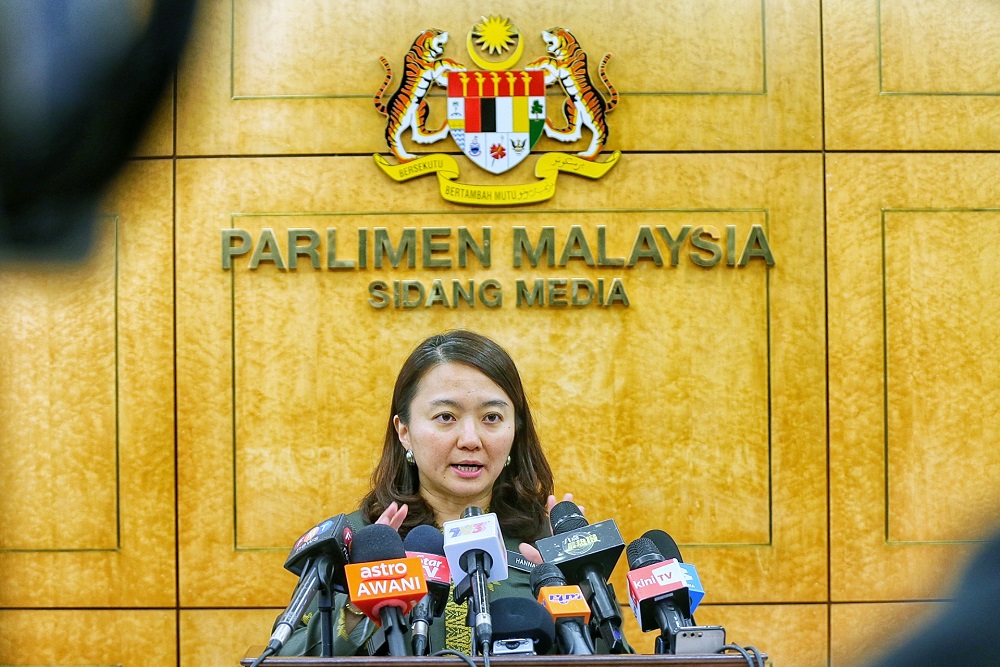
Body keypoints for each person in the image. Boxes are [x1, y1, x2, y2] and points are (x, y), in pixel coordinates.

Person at [275, 329, 570, 656]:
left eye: (491, 417)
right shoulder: (354, 542)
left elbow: (603, 656)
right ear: (404, 431)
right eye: (446, 417)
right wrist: (362, 599)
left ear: (515, 430)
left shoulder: (546, 542)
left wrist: (573, 594)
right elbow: (284, 657)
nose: (470, 439)